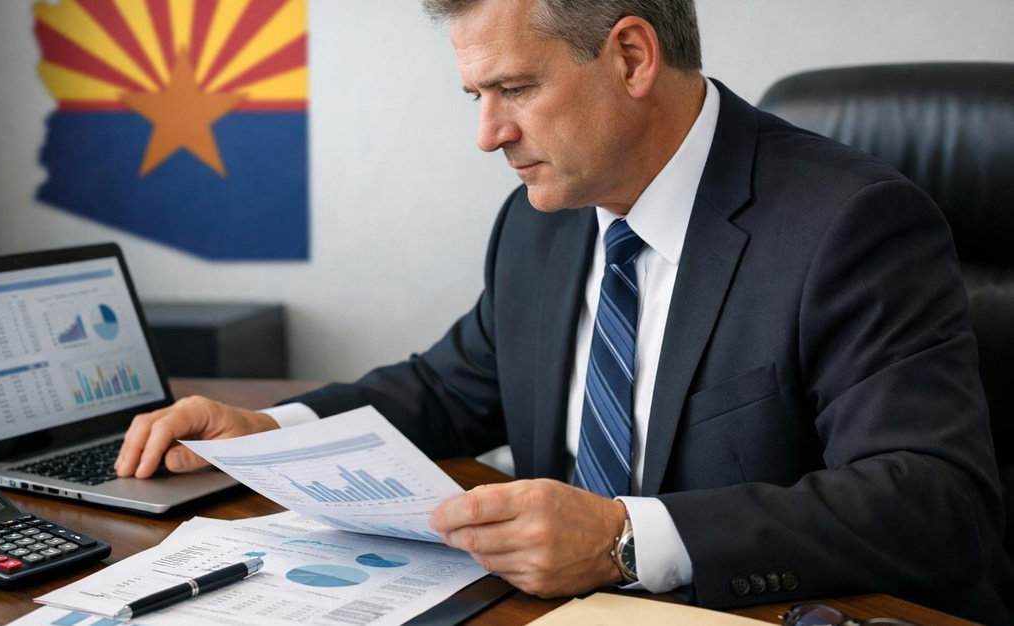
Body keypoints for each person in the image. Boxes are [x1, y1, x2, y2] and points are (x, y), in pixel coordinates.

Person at [115, 0, 1013, 621]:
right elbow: (446, 387)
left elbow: (935, 502)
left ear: (630, 56)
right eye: (477, 97)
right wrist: (269, 429)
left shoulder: (849, 223)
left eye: (514, 89)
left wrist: (625, 539)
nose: (488, 134)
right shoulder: (542, 222)